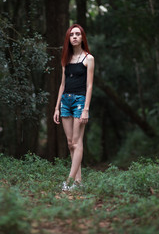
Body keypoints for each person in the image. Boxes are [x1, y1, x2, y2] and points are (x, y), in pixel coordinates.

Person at [53, 24, 95, 191]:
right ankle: (78, 182)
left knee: (77, 142)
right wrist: (56, 108)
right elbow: (62, 84)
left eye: (78, 34)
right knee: (71, 143)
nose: (75, 37)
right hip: (65, 101)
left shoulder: (88, 58)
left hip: (79, 101)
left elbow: (90, 86)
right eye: (72, 35)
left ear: (82, 37)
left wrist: (86, 109)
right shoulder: (65, 59)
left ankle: (69, 182)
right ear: (68, 39)